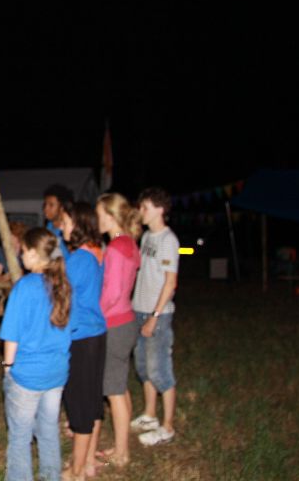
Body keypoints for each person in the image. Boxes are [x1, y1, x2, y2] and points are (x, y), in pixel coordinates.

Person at [0, 227, 72, 481]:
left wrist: (8, 367)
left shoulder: (24, 287)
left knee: (20, 436)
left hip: (27, 375)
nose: (20, 255)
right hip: (56, 373)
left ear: (32, 253)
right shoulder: (63, 285)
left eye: (23, 251)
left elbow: (11, 335)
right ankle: (52, 476)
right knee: (48, 430)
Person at [59, 201, 107, 481]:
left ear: (77, 224)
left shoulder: (78, 259)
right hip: (96, 334)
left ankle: (76, 471)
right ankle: (86, 462)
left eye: (66, 222)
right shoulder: (95, 251)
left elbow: (62, 295)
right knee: (91, 401)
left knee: (79, 405)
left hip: (80, 336)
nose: (61, 227)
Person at [129, 187, 180, 447]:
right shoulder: (147, 236)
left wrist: (154, 316)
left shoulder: (168, 240)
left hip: (157, 315)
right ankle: (150, 415)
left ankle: (168, 427)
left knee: (159, 371)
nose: (141, 211)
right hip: (139, 311)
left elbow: (170, 283)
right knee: (143, 369)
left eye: (145, 207)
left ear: (160, 209)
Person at [95, 192, 142, 467]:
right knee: (120, 387)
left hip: (114, 324)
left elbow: (111, 294)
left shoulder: (115, 247)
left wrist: (95, 318)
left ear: (111, 216)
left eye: (100, 214)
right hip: (126, 321)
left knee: (113, 391)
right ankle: (121, 446)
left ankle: (122, 454)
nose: (97, 219)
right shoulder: (129, 243)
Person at [43, 183, 73, 256]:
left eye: (51, 205)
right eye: (45, 204)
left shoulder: (69, 231)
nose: (45, 209)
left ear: (62, 207)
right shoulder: (48, 227)